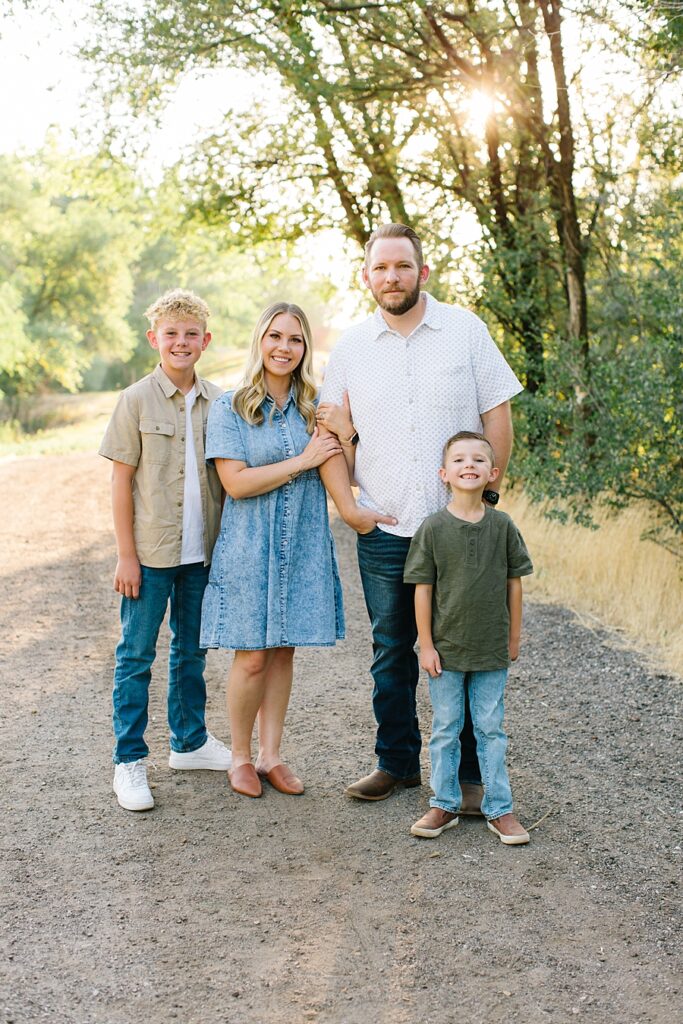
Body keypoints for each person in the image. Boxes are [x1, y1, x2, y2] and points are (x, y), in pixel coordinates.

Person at [316, 222, 523, 804]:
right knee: (391, 650)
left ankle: (470, 774)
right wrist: (350, 509)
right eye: (380, 268)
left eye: (402, 266)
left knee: (466, 648)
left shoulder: (465, 330)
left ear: (422, 271)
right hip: (387, 527)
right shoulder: (352, 348)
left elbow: (497, 416)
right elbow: (330, 435)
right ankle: (398, 762)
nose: (391, 277)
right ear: (366, 277)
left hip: (460, 527)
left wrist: (485, 498)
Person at [199, 302, 345, 799]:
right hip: (248, 545)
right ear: (260, 341)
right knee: (253, 656)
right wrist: (303, 460)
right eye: (276, 337)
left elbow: (345, 460)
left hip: (303, 542)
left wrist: (344, 433)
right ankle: (240, 757)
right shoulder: (231, 406)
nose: (285, 348)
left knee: (284, 651)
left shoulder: (317, 408)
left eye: (296, 339)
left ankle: (271, 756)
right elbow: (235, 484)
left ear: (305, 349)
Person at [99, 289, 232, 813]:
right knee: (135, 656)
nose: (181, 342)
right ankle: (128, 759)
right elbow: (119, 482)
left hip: (200, 555)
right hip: (150, 556)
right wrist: (125, 555)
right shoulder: (135, 400)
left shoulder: (220, 401)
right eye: (171, 334)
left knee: (191, 652)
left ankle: (190, 742)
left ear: (205, 341)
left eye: (190, 334)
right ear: (154, 339)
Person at [404, 431, 533, 844]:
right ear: (444, 473)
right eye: (459, 460)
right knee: (446, 726)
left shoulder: (503, 526)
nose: (469, 466)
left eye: (478, 460)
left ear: (493, 473)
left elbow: (515, 583)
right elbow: (422, 588)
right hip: (446, 650)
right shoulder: (433, 528)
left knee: (491, 728)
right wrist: (425, 644)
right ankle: (444, 802)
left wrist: (513, 637)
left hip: (491, 647)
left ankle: (500, 809)